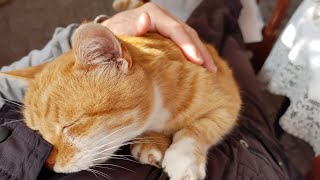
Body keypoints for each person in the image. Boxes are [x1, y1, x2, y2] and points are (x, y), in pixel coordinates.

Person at [0, 1, 303, 180]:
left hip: (166, 69)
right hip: (257, 150)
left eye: (67, 129)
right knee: (225, 36)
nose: (51, 159)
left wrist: (191, 138)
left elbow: (224, 101)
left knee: (212, 24)